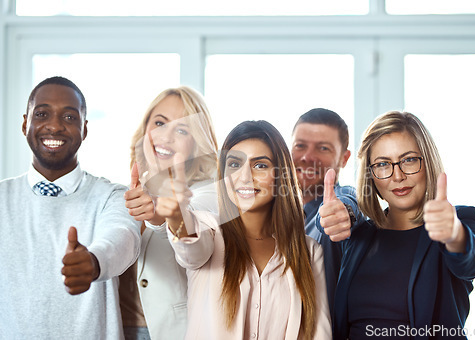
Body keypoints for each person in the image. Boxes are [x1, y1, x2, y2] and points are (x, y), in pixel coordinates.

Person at [319, 111, 475, 339]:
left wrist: (454, 234)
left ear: (427, 161)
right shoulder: (359, 236)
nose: (397, 175)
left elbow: (474, 260)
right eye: (382, 164)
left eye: (409, 160)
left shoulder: (462, 220)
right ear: (371, 175)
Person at [159, 120, 332, 339]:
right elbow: (191, 250)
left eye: (260, 165)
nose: (244, 177)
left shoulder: (309, 251)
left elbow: (319, 332)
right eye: (234, 164)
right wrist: (176, 216)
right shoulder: (210, 231)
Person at [0, 76, 141, 339]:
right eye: (42, 114)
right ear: (25, 123)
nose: (54, 126)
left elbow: (124, 238)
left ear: (84, 129)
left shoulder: (112, 196)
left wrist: (94, 261)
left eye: (68, 117)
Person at [120, 86, 218, 340]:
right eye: (160, 123)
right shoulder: (125, 190)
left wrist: (161, 213)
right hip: (116, 328)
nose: (166, 136)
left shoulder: (209, 193)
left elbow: (196, 244)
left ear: (196, 144)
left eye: (182, 130)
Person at [291, 108, 361, 321]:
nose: (307, 157)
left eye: (323, 148)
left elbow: (351, 203)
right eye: (300, 146)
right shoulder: (276, 213)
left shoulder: (342, 199)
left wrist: (345, 213)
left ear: (344, 158)